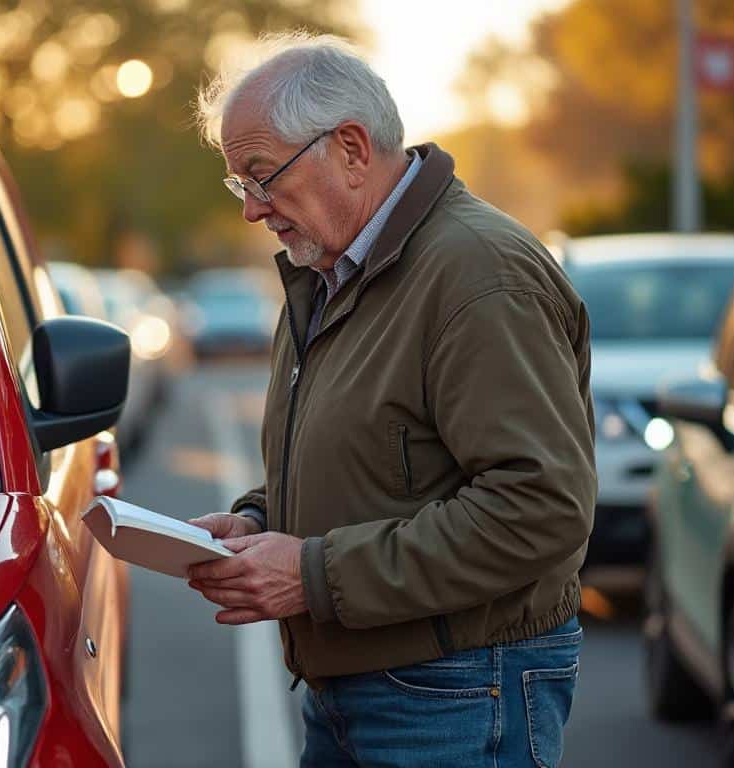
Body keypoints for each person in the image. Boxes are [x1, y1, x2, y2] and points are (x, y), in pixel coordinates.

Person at [185, 33, 597, 768]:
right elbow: (377, 460)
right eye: (239, 184)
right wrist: (258, 522)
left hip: (458, 693)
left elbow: (541, 506)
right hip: (368, 685)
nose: (251, 210)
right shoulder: (330, 270)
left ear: (350, 148)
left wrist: (311, 574)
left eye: (262, 177)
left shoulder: (479, 275)